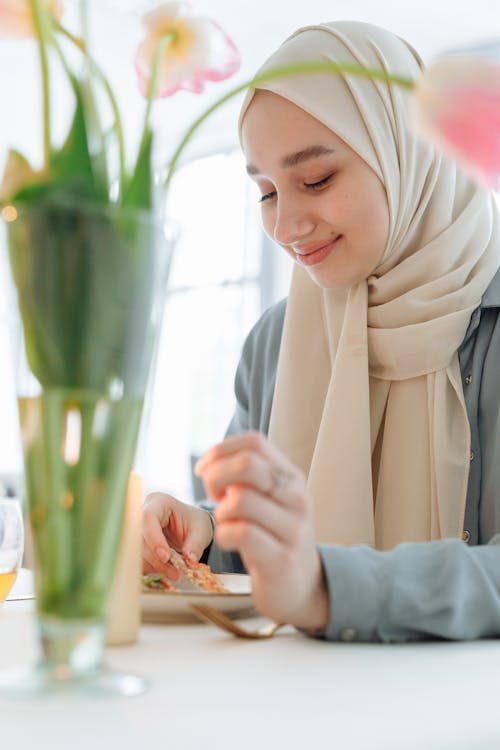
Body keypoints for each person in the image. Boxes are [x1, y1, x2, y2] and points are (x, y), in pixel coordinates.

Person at [142, 20, 500, 641]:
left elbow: (311, 578)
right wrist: (202, 535)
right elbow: (274, 562)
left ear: (406, 156)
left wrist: (330, 588)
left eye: (315, 180)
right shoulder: (275, 342)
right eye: (266, 192)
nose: (285, 226)